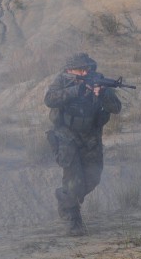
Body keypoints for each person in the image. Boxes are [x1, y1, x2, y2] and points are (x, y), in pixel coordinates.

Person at [44, 52, 122, 236]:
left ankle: (65, 196)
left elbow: (116, 108)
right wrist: (75, 91)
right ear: (70, 70)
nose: (85, 72)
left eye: (87, 69)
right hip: (66, 136)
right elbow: (49, 99)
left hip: (91, 136)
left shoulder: (98, 81)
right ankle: (73, 221)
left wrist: (102, 94)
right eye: (80, 69)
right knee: (74, 180)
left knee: (93, 178)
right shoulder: (62, 81)